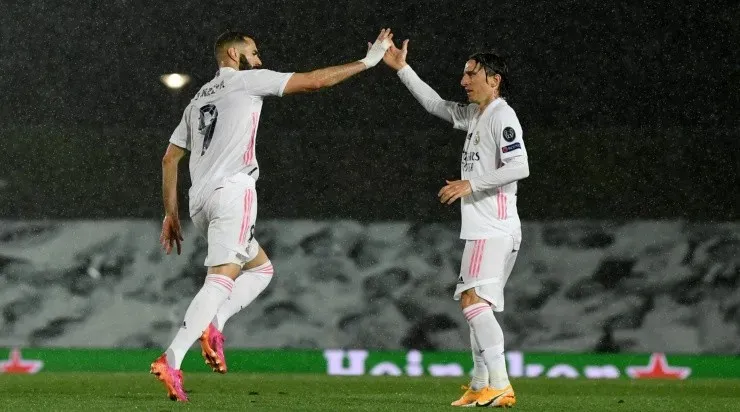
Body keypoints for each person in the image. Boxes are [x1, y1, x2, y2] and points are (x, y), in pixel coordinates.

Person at [152, 28, 395, 402]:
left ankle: (213, 323)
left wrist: (171, 214)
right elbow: (314, 82)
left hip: (200, 201)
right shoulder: (248, 81)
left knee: (261, 269)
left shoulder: (197, 99)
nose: (259, 59)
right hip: (234, 191)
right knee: (222, 278)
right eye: (253, 52)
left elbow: (170, 158)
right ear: (234, 54)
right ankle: (172, 358)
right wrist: (369, 61)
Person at [382, 40, 529, 407]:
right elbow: (435, 105)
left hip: (490, 227)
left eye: (471, 73)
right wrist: (403, 69)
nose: (463, 80)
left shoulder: (501, 116)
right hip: (495, 227)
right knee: (479, 307)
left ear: (493, 80)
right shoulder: (477, 115)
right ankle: (481, 382)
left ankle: (501, 382)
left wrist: (471, 184)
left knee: (471, 300)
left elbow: (519, 166)